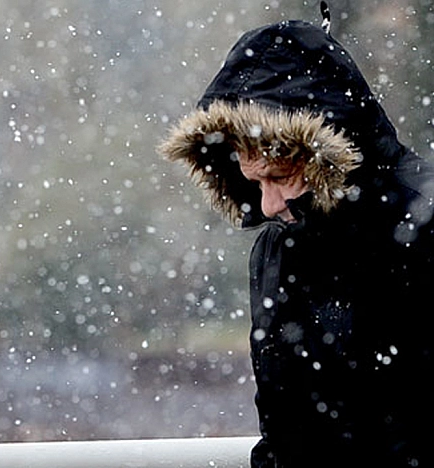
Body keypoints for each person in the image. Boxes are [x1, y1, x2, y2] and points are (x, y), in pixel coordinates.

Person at [160, 10, 434, 468]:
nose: (267, 205)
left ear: (327, 151)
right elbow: (286, 431)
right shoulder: (278, 249)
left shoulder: (421, 228)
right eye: (254, 181)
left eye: (279, 177)